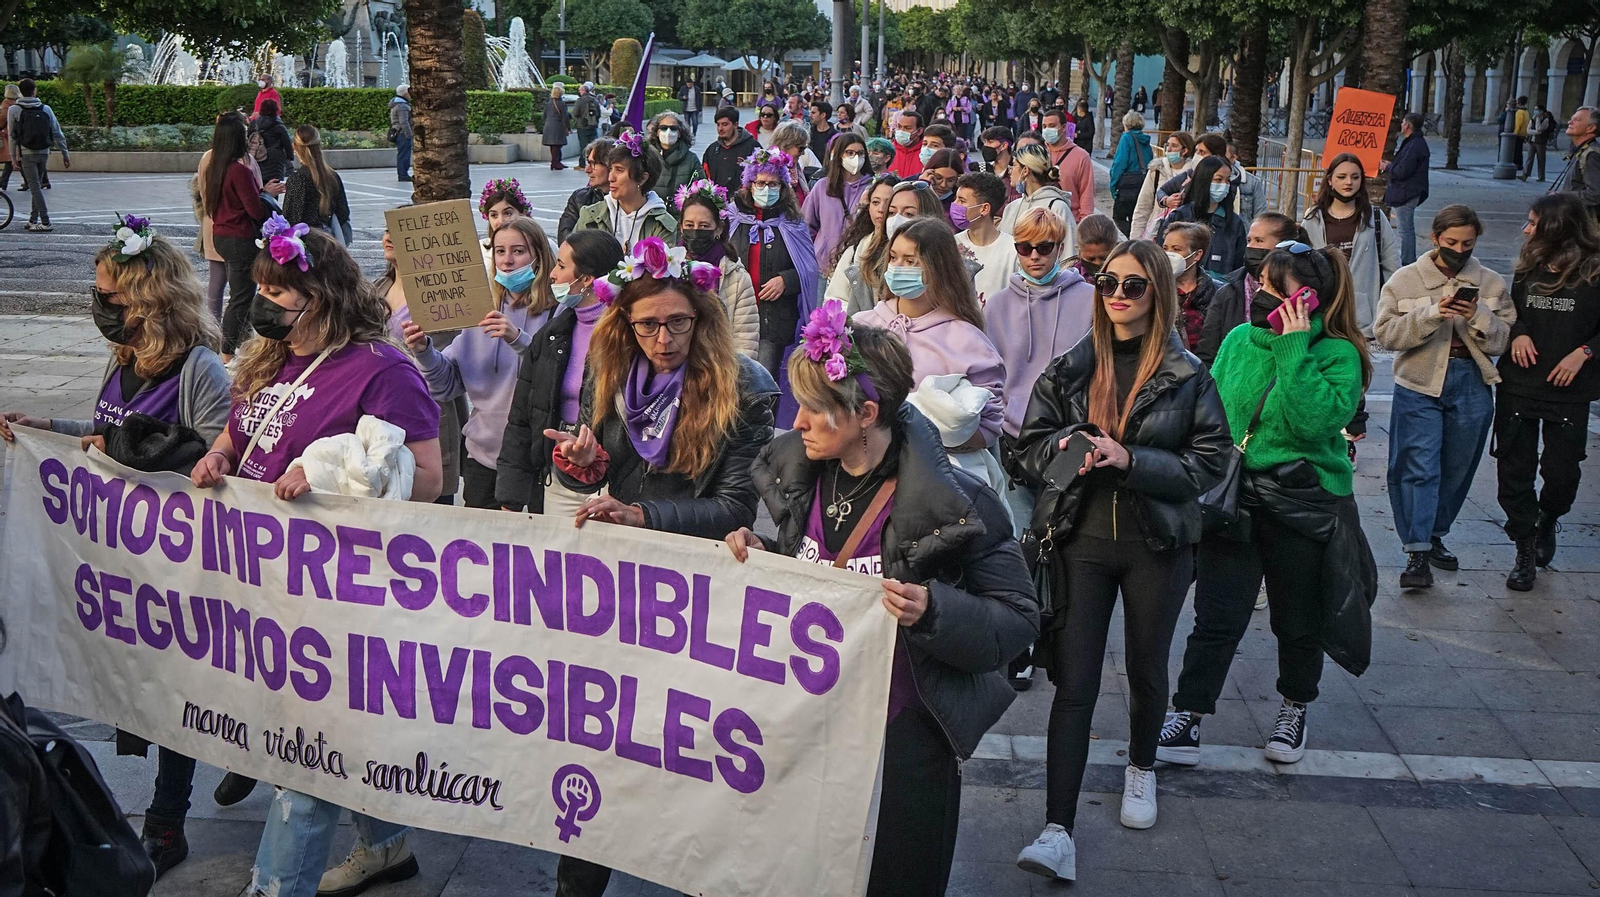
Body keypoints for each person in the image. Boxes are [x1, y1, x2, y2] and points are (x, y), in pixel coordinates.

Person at [728, 308, 1037, 897]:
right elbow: (811, 565)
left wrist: (935, 610)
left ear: (866, 415)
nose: (798, 422)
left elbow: (1019, 619)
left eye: (817, 408)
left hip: (909, 725)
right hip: (813, 718)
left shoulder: (958, 501)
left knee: (902, 875)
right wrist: (759, 553)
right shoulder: (803, 472)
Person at [191, 222, 442, 897]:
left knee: (311, 747)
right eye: (261, 288)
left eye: (280, 290)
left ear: (324, 297)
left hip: (341, 591)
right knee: (311, 730)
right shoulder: (270, 356)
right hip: (267, 578)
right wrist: (220, 452)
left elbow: (427, 475)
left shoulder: (381, 369)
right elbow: (242, 426)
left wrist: (330, 473)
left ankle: (274, 885)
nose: (263, 300)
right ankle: (385, 845)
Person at [543, 240, 777, 897]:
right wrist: (586, 463)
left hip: (693, 598)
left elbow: (735, 505)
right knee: (600, 741)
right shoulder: (611, 369)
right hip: (617, 587)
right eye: (648, 323)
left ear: (702, 319)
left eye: (679, 322)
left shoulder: (747, 387)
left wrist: (645, 515)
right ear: (626, 323)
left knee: (683, 751)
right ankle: (578, 879)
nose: (664, 338)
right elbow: (610, 471)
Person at [0, 221, 231, 880]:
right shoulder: (126, 357)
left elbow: (217, 456)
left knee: (176, 689)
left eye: (108, 294)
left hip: (180, 561)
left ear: (147, 298)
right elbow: (111, 434)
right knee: (146, 685)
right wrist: (56, 430)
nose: (98, 304)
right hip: (126, 561)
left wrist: (128, 451)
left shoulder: (200, 368)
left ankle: (166, 820)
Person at [1011, 239, 1230, 880]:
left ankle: (1140, 766)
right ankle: (1057, 830)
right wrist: (1067, 444)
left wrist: (1132, 460)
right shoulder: (1072, 368)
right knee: (1073, 684)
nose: (1118, 296)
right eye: (1108, 283)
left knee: (1145, 668)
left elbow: (1211, 462)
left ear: (1157, 293)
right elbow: (1025, 450)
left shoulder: (1187, 375)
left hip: (1156, 543)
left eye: (1133, 286)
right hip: (1080, 541)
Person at [1160, 239, 1372, 771]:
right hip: (1234, 498)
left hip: (1301, 502)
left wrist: (1294, 346)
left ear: (1310, 300)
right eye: (1262, 284)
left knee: (1297, 619)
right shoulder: (1237, 339)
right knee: (1216, 616)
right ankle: (1188, 713)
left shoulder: (1339, 354)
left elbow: (1313, 423)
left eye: (1279, 289)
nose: (1262, 294)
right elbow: (1215, 413)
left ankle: (1294, 707)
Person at [1374, 204, 1511, 589]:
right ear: (1435, 238)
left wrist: (1478, 315)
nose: (1460, 249)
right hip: (1418, 382)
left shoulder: (1492, 283)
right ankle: (1416, 550)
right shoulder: (1405, 280)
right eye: (1452, 242)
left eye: (1467, 243)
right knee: (1417, 465)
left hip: (1472, 380)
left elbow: (1504, 340)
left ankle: (1435, 534)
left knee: (1457, 465)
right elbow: (1385, 335)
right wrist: (1433, 313)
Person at [403, 217, 557, 509]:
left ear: (539, 255)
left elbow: (554, 378)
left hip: (538, 459)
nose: (508, 261)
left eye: (518, 251)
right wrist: (424, 351)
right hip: (483, 458)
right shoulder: (479, 311)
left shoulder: (558, 311)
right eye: (500, 251)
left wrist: (519, 339)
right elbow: (446, 386)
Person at [1496, 192, 1600, 590]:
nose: (1526, 229)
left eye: (1533, 223)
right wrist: (1518, 333)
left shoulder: (1594, 270)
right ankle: (1523, 546)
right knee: (1514, 469)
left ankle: (1548, 518)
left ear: (1556, 227)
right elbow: (1512, 311)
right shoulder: (1529, 264)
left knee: (1561, 471)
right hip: (1520, 383)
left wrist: (1585, 352)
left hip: (1571, 387)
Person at [496, 229, 626, 515]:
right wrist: (510, 497)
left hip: (614, 483)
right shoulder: (553, 335)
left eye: (561, 266)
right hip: (558, 476)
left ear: (587, 279)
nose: (552, 274)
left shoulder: (629, 335)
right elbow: (522, 418)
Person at [853, 217, 1005, 449]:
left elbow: (989, 427)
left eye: (911, 261)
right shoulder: (861, 326)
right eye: (893, 258)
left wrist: (931, 449)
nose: (897, 267)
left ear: (938, 268)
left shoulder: (967, 340)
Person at [984, 207, 1094, 524]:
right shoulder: (997, 305)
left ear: (1060, 248)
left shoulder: (1090, 299)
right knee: (1021, 537)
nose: (1034, 256)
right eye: (1024, 247)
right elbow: (990, 376)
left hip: (1070, 437)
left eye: (1044, 247)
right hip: (1012, 442)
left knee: (1064, 536)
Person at [377, 227, 465, 507]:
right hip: (381, 412)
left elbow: (445, 359)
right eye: (386, 230)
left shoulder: (441, 298)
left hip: (427, 412)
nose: (388, 237)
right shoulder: (376, 289)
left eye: (398, 231)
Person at [727, 146, 820, 380]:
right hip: (735, 316)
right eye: (760, 183)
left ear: (783, 187)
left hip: (773, 320)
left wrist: (785, 281)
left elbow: (809, 269)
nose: (766, 189)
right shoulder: (731, 219)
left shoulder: (793, 223)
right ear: (749, 184)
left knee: (764, 382)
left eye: (773, 184)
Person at [207, 112, 284, 358]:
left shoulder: (215, 168)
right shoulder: (238, 171)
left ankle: (238, 345)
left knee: (239, 293)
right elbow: (254, 209)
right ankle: (227, 352)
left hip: (221, 235)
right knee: (241, 297)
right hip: (240, 237)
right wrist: (266, 195)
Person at [1302, 152, 1398, 337]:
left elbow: (1392, 264)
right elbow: (1303, 266)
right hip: (1322, 314)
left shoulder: (1375, 218)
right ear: (1330, 180)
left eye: (1355, 177)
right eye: (1342, 177)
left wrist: (1390, 307)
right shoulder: (1312, 218)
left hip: (1363, 319)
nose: (1349, 182)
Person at [1197, 212, 1308, 365]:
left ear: (1284, 246)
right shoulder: (1227, 292)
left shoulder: (1298, 291)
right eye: (1249, 240)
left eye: (1259, 241)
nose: (1250, 247)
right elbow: (1208, 353)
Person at [676, 179, 759, 356]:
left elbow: (746, 340)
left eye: (704, 226)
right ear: (681, 227)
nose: (696, 231)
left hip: (720, 366)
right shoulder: (668, 268)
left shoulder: (736, 277)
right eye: (689, 225)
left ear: (719, 228)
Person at [842, 178, 943, 315]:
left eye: (908, 214)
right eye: (891, 213)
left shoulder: (951, 274)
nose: (897, 220)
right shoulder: (867, 269)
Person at [575, 130, 679, 251]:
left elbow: (659, 267)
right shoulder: (591, 215)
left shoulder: (662, 224)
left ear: (642, 178)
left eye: (619, 170)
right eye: (610, 169)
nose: (611, 178)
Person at [1160, 156, 1247, 278]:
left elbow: (1238, 265)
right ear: (1204, 180)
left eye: (1227, 181)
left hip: (1221, 292)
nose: (1224, 185)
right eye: (1218, 179)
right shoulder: (1180, 216)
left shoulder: (1234, 223)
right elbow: (1160, 257)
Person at [827, 173, 901, 313]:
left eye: (889, 202)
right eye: (875, 202)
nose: (881, 209)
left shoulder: (911, 249)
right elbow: (835, 297)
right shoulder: (856, 249)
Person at [803, 131, 872, 274]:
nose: (856, 158)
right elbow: (806, 225)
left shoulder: (873, 188)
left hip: (857, 266)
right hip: (823, 266)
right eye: (850, 153)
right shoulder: (822, 186)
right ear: (840, 155)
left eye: (860, 153)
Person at [6, 78, 69, 233]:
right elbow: (56, 131)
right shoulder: (45, 108)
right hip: (44, 151)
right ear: (35, 91)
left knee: (35, 187)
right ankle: (33, 219)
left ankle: (45, 221)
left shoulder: (14, 110)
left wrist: (13, 157)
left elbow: (12, 135)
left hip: (27, 153)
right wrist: (65, 153)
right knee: (37, 186)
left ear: (20, 92)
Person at [282, 125, 351, 245]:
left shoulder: (298, 178)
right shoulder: (332, 176)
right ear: (319, 145)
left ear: (295, 147)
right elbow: (343, 213)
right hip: (329, 241)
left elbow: (291, 217)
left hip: (305, 244)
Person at [954, 171, 1014, 305]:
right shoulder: (951, 245)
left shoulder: (1013, 250)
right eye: (956, 198)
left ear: (984, 209)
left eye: (962, 201)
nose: (955, 204)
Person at [1002, 143, 1076, 251]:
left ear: (1025, 171)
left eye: (1013, 166)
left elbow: (1069, 253)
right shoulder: (1011, 207)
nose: (1010, 171)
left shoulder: (1057, 208)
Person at [1381, 113, 1429, 266]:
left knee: (1405, 230)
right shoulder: (1414, 143)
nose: (1401, 125)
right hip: (1408, 191)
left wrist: (1388, 167)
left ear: (1408, 125)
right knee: (1405, 229)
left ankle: (1408, 261)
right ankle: (1407, 260)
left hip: (1406, 192)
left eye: (1402, 122)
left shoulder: (1414, 145)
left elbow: (1402, 171)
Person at [1130, 131, 1196, 240]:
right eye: (1167, 145)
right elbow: (1143, 205)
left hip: (1182, 234)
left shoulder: (1192, 174)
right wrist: (1135, 238)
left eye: (1174, 146)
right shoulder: (1156, 170)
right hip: (1155, 232)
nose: (1169, 149)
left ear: (1185, 150)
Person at [1164, 221, 1217, 352]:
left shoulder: (1217, 292)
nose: (1169, 254)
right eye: (1165, 248)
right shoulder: (1155, 289)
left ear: (1197, 255)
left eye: (1176, 249)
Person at [1040, 108, 1094, 221]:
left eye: (1052, 125)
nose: (1047, 130)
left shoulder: (1081, 156)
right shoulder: (1039, 152)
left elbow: (1086, 193)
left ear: (1064, 127)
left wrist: (1084, 221)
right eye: (1044, 126)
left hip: (1069, 221)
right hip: (1039, 222)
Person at [1107, 111, 1153, 236]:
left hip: (1127, 185)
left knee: (1119, 217)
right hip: (1142, 183)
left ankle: (1133, 238)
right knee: (1136, 217)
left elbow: (1120, 163)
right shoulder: (1145, 140)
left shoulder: (1126, 138)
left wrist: (1113, 185)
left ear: (1126, 124)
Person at [559, 137, 613, 241]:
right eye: (588, 163)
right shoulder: (579, 198)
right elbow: (564, 240)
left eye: (594, 164)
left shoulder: (629, 202)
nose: (587, 170)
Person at [1554, 106, 1600, 220]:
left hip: (1585, 225)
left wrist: (1563, 196)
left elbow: (1595, 194)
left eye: (1577, 120)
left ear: (1591, 128)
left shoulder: (1592, 155)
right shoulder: (1582, 150)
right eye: (1571, 118)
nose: (1570, 122)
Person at [648, 109, 700, 204]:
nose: (668, 132)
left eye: (673, 128)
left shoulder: (691, 159)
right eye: (663, 128)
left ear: (679, 133)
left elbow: (700, 189)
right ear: (657, 132)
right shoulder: (647, 157)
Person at [702, 106, 758, 193]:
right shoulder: (712, 150)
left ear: (735, 125)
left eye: (725, 124)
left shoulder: (753, 147)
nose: (720, 129)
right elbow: (704, 178)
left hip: (744, 202)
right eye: (718, 124)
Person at [772, 119, 824, 198]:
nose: (803, 153)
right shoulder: (770, 171)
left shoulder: (795, 168)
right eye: (801, 148)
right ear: (787, 144)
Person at [249, 99, 293, 184]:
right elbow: (287, 143)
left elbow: (249, 138)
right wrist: (289, 157)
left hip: (257, 159)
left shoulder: (253, 124)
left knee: (258, 188)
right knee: (273, 191)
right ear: (275, 109)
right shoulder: (278, 125)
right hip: (275, 163)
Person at [1066, 213, 1120, 279]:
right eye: (1090, 259)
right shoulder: (1069, 279)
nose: (1097, 263)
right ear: (1079, 251)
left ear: (1116, 249)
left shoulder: (1127, 277)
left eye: (1104, 258)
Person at [1523, 103, 1557, 182]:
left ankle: (1541, 176)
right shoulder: (1533, 118)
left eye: (1537, 110)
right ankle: (1525, 174)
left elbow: (1539, 128)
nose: (1535, 111)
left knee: (1541, 159)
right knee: (1529, 158)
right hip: (1532, 141)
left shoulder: (1545, 119)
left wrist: (1538, 120)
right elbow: (1529, 130)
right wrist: (1536, 132)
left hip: (1541, 142)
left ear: (1541, 111)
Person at [890, 110, 926, 178]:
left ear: (919, 131)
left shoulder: (926, 154)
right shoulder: (889, 151)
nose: (901, 131)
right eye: (899, 127)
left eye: (907, 128)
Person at [544, 82, 571, 171]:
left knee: (554, 146)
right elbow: (565, 117)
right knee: (557, 145)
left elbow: (544, 115)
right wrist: (568, 127)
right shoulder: (561, 104)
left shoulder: (548, 103)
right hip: (558, 126)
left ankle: (556, 162)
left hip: (549, 126)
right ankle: (555, 162)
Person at [390, 84, 413, 182]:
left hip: (399, 132)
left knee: (402, 154)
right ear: (406, 93)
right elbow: (404, 122)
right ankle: (403, 175)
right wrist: (409, 134)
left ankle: (403, 174)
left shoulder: (397, 104)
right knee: (404, 155)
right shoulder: (402, 106)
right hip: (402, 134)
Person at [0, 83, 17, 191]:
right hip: (15, 133)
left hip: (6, 134)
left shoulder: (6, 103)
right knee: (13, 159)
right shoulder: (18, 102)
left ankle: (3, 182)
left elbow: (3, 118)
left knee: (9, 159)